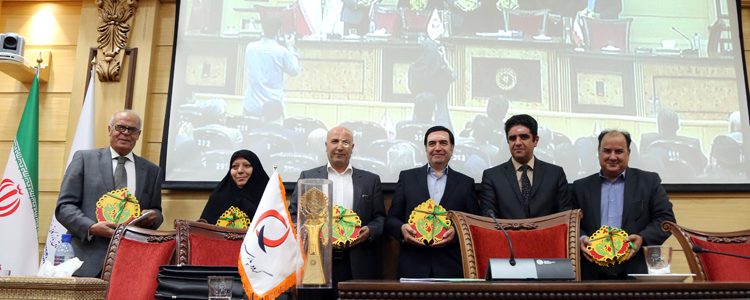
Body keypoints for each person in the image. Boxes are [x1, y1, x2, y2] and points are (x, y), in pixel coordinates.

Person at [55, 110, 163, 277]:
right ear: (109, 130)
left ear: (138, 135)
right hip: (85, 261)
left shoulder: (151, 171)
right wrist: (91, 227)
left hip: (131, 262)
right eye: (120, 127)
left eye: (132, 130)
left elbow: (157, 211)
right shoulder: (84, 159)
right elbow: (64, 206)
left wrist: (154, 216)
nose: (126, 133)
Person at [290, 126, 386, 297]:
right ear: (326, 145)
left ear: (353, 147)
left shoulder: (370, 180)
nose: (340, 147)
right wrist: (309, 231)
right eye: (334, 141)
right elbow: (294, 214)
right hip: (317, 259)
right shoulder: (308, 177)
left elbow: (379, 218)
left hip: (357, 261)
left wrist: (370, 231)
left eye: (345, 142)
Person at [572, 130, 676, 280]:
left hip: (636, 270)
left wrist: (642, 238)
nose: (612, 157)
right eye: (607, 151)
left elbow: (666, 221)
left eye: (619, 151)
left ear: (628, 153)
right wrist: (581, 238)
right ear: (599, 153)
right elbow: (571, 223)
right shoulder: (580, 187)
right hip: (591, 273)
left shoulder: (649, 182)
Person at [385, 126, 479, 278]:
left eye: (443, 143)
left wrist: (456, 234)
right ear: (425, 148)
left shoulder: (466, 183)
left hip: (451, 268)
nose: (437, 148)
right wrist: (402, 229)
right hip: (412, 266)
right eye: (432, 143)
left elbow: (473, 224)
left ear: (452, 148)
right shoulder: (407, 178)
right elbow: (391, 220)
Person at [478, 114, 571, 219]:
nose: (517, 143)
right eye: (512, 138)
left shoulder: (555, 174)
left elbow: (565, 216)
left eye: (524, 137)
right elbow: (489, 219)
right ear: (508, 142)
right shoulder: (492, 176)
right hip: (505, 235)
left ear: (535, 140)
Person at [242, 14, 301, 117]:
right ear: (278, 32)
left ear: (263, 29)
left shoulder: (250, 48)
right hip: (273, 109)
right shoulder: (281, 52)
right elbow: (294, 70)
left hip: (251, 106)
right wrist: (291, 47)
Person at [199, 150, 270, 228]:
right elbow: (203, 231)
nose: (239, 171)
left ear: (256, 169)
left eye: (246, 165)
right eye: (234, 167)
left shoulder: (268, 196)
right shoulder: (218, 197)